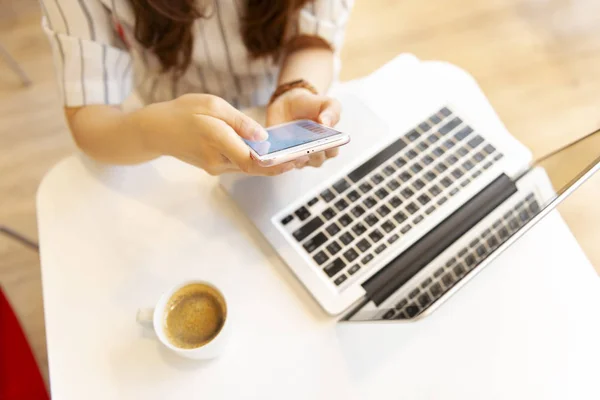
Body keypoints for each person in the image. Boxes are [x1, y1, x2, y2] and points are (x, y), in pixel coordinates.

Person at [39, 0, 354, 176]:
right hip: (169, 121)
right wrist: (155, 131)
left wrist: (295, 88)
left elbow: (314, 40)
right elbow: (90, 118)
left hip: (276, 112)